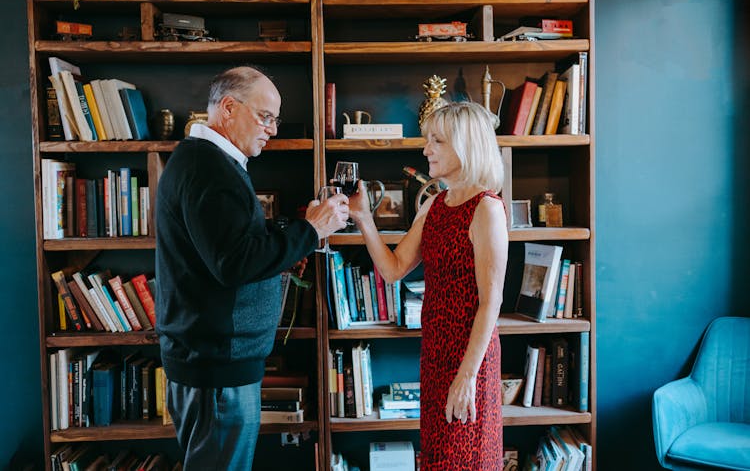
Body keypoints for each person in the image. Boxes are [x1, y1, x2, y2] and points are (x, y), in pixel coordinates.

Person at [155, 66, 349, 470]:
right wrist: (311, 230)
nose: (273, 130)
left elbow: (233, 245)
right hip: (217, 371)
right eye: (265, 117)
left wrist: (297, 228)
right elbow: (236, 262)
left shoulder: (208, 162)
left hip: (215, 364)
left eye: (275, 119)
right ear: (228, 108)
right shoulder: (209, 169)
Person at [349, 101, 508, 469]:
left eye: (437, 140)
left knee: (465, 459)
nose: (426, 149)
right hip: (435, 354)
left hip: (471, 358)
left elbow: (491, 302)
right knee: (438, 458)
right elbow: (393, 270)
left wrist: (467, 376)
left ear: (465, 145)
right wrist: (362, 218)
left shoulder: (487, 209)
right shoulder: (434, 205)